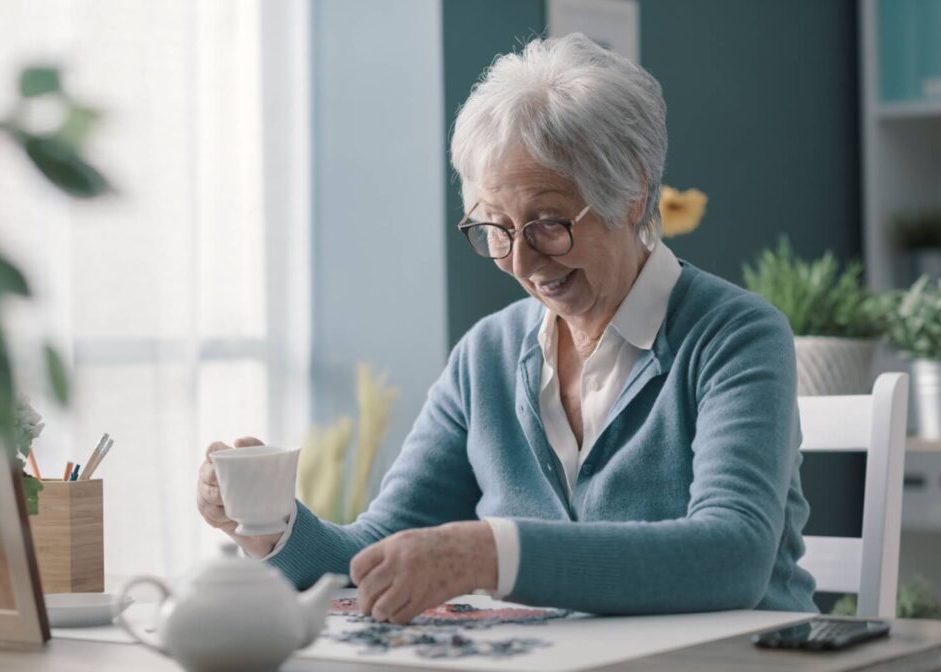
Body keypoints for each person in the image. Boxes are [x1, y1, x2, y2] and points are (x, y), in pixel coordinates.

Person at [196, 33, 817, 624]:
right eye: (494, 228)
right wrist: (272, 524)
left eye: (549, 224)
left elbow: (732, 557)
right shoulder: (486, 357)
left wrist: (494, 554)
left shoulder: (735, 337)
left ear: (631, 196)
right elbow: (375, 554)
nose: (520, 262)